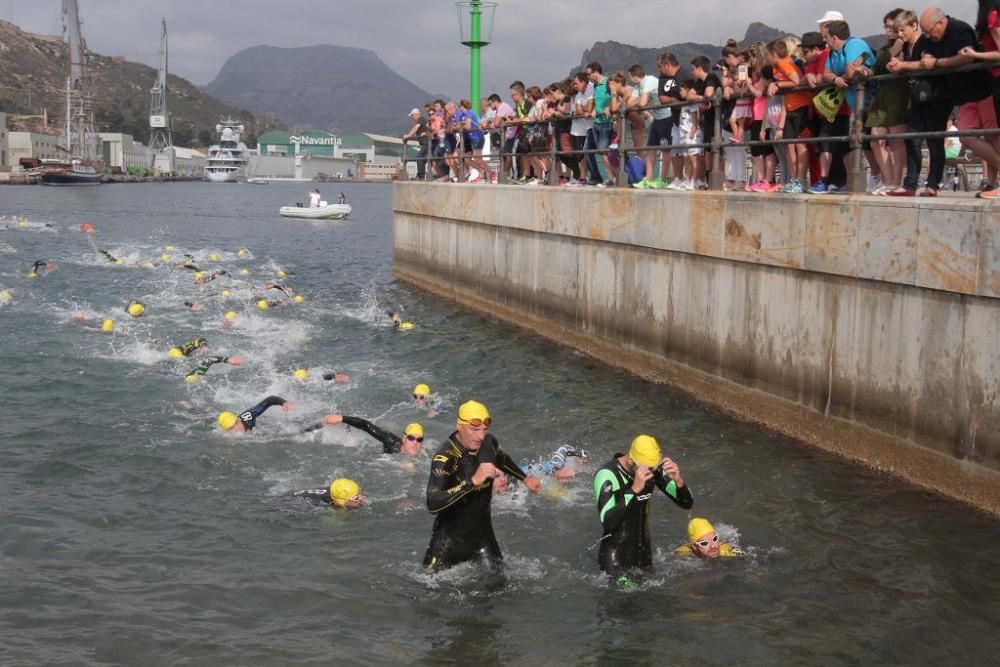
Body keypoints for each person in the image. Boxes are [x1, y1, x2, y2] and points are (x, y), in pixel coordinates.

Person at [423, 400, 541, 572]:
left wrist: (525, 478)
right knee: (428, 591)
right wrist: (471, 482)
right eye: (474, 429)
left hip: (482, 539)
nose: (480, 436)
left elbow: (501, 458)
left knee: (502, 590)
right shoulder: (445, 457)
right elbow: (432, 502)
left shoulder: (488, 443)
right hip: (448, 543)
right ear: (459, 426)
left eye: (485, 430)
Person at [593, 434, 692, 588]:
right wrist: (634, 490)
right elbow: (607, 522)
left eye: (654, 467)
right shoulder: (607, 475)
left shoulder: (652, 469)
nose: (651, 472)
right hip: (615, 559)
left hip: (643, 556)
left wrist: (678, 481)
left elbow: (686, 503)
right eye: (648, 468)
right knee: (627, 602)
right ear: (631, 461)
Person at [309, 414, 424, 455]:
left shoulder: (424, 454)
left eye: (419, 440)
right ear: (404, 437)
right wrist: (342, 418)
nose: (415, 443)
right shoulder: (390, 441)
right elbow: (366, 425)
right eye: (411, 438)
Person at [217, 395, 295, 433]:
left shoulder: (247, 417)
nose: (237, 429)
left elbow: (270, 400)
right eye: (231, 428)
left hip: (263, 422)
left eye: (236, 423)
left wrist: (284, 403)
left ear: (238, 420)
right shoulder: (228, 436)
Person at [675, 518, 744, 558]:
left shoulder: (727, 551)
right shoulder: (683, 552)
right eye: (704, 543)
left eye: (715, 539)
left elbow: (747, 557)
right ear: (694, 547)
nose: (713, 546)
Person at [292, 478, 365, 508]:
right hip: (288, 501)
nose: (362, 498)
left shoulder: (336, 490)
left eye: (360, 493)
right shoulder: (322, 505)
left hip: (293, 493)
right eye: (356, 498)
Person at [402, 107, 429, 180]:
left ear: (417, 114)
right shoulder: (422, 120)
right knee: (423, 159)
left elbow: (416, 127)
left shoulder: (421, 119)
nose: (412, 117)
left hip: (427, 143)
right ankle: (419, 175)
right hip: (425, 143)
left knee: (419, 158)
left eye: (412, 115)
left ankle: (421, 177)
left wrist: (408, 135)